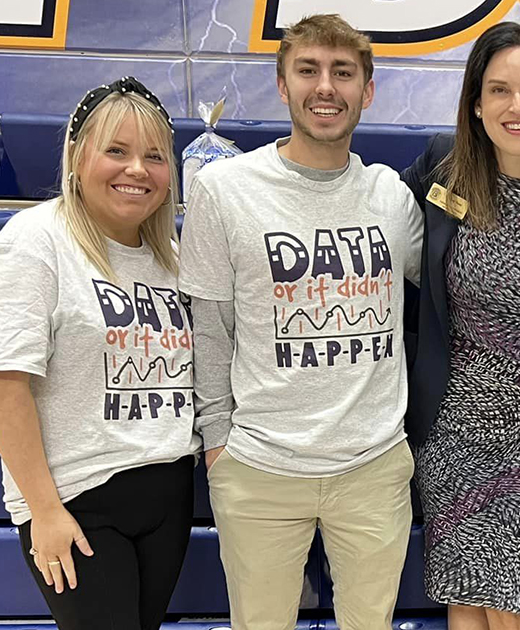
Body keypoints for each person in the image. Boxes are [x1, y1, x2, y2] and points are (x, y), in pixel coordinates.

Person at [178, 14, 422, 630]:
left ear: (367, 91)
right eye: (308, 70)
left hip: (373, 464)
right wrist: (217, 445)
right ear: (282, 85)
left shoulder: (392, 196)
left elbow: (460, 278)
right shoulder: (223, 189)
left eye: (343, 73)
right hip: (258, 465)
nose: (326, 87)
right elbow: (207, 324)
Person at [0, 76, 197, 630]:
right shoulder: (30, 246)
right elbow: (0, 382)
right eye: (115, 151)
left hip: (167, 491)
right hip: (78, 499)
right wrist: (44, 510)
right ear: (76, 155)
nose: (137, 170)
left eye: (153, 156)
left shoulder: (171, 254)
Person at [399, 21, 520, 630]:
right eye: (500, 90)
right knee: (463, 598)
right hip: (450, 429)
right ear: (477, 102)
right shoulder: (441, 169)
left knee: (511, 606)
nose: (518, 106)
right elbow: (387, 243)